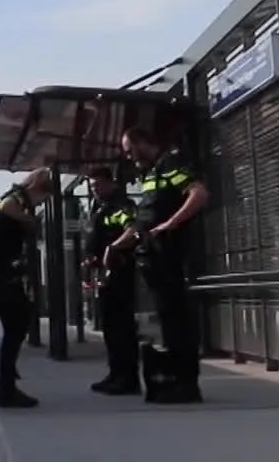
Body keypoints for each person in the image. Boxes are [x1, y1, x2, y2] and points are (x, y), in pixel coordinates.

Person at [100, 125, 210, 404]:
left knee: (178, 323)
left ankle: (187, 384)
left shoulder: (170, 164)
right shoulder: (150, 174)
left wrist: (171, 223)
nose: (128, 157)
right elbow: (142, 222)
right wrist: (116, 246)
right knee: (169, 322)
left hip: (171, 257)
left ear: (142, 143)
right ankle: (178, 381)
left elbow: (198, 193)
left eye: (129, 150)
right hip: (155, 261)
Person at [0, 167, 53, 408]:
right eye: (43, 196)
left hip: (1, 273)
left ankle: (6, 382)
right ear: (36, 188)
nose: (42, 202)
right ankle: (6, 387)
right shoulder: (15, 200)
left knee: (17, 324)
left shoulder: (14, 198)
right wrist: (29, 220)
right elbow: (7, 208)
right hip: (2, 275)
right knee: (16, 325)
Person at [84, 165, 140, 395]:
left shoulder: (122, 205)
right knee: (110, 327)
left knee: (121, 327)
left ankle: (127, 378)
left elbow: (133, 228)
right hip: (104, 275)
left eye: (98, 185)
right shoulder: (101, 207)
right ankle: (115, 373)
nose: (95, 190)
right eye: (91, 187)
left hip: (119, 273)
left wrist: (113, 248)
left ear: (111, 183)